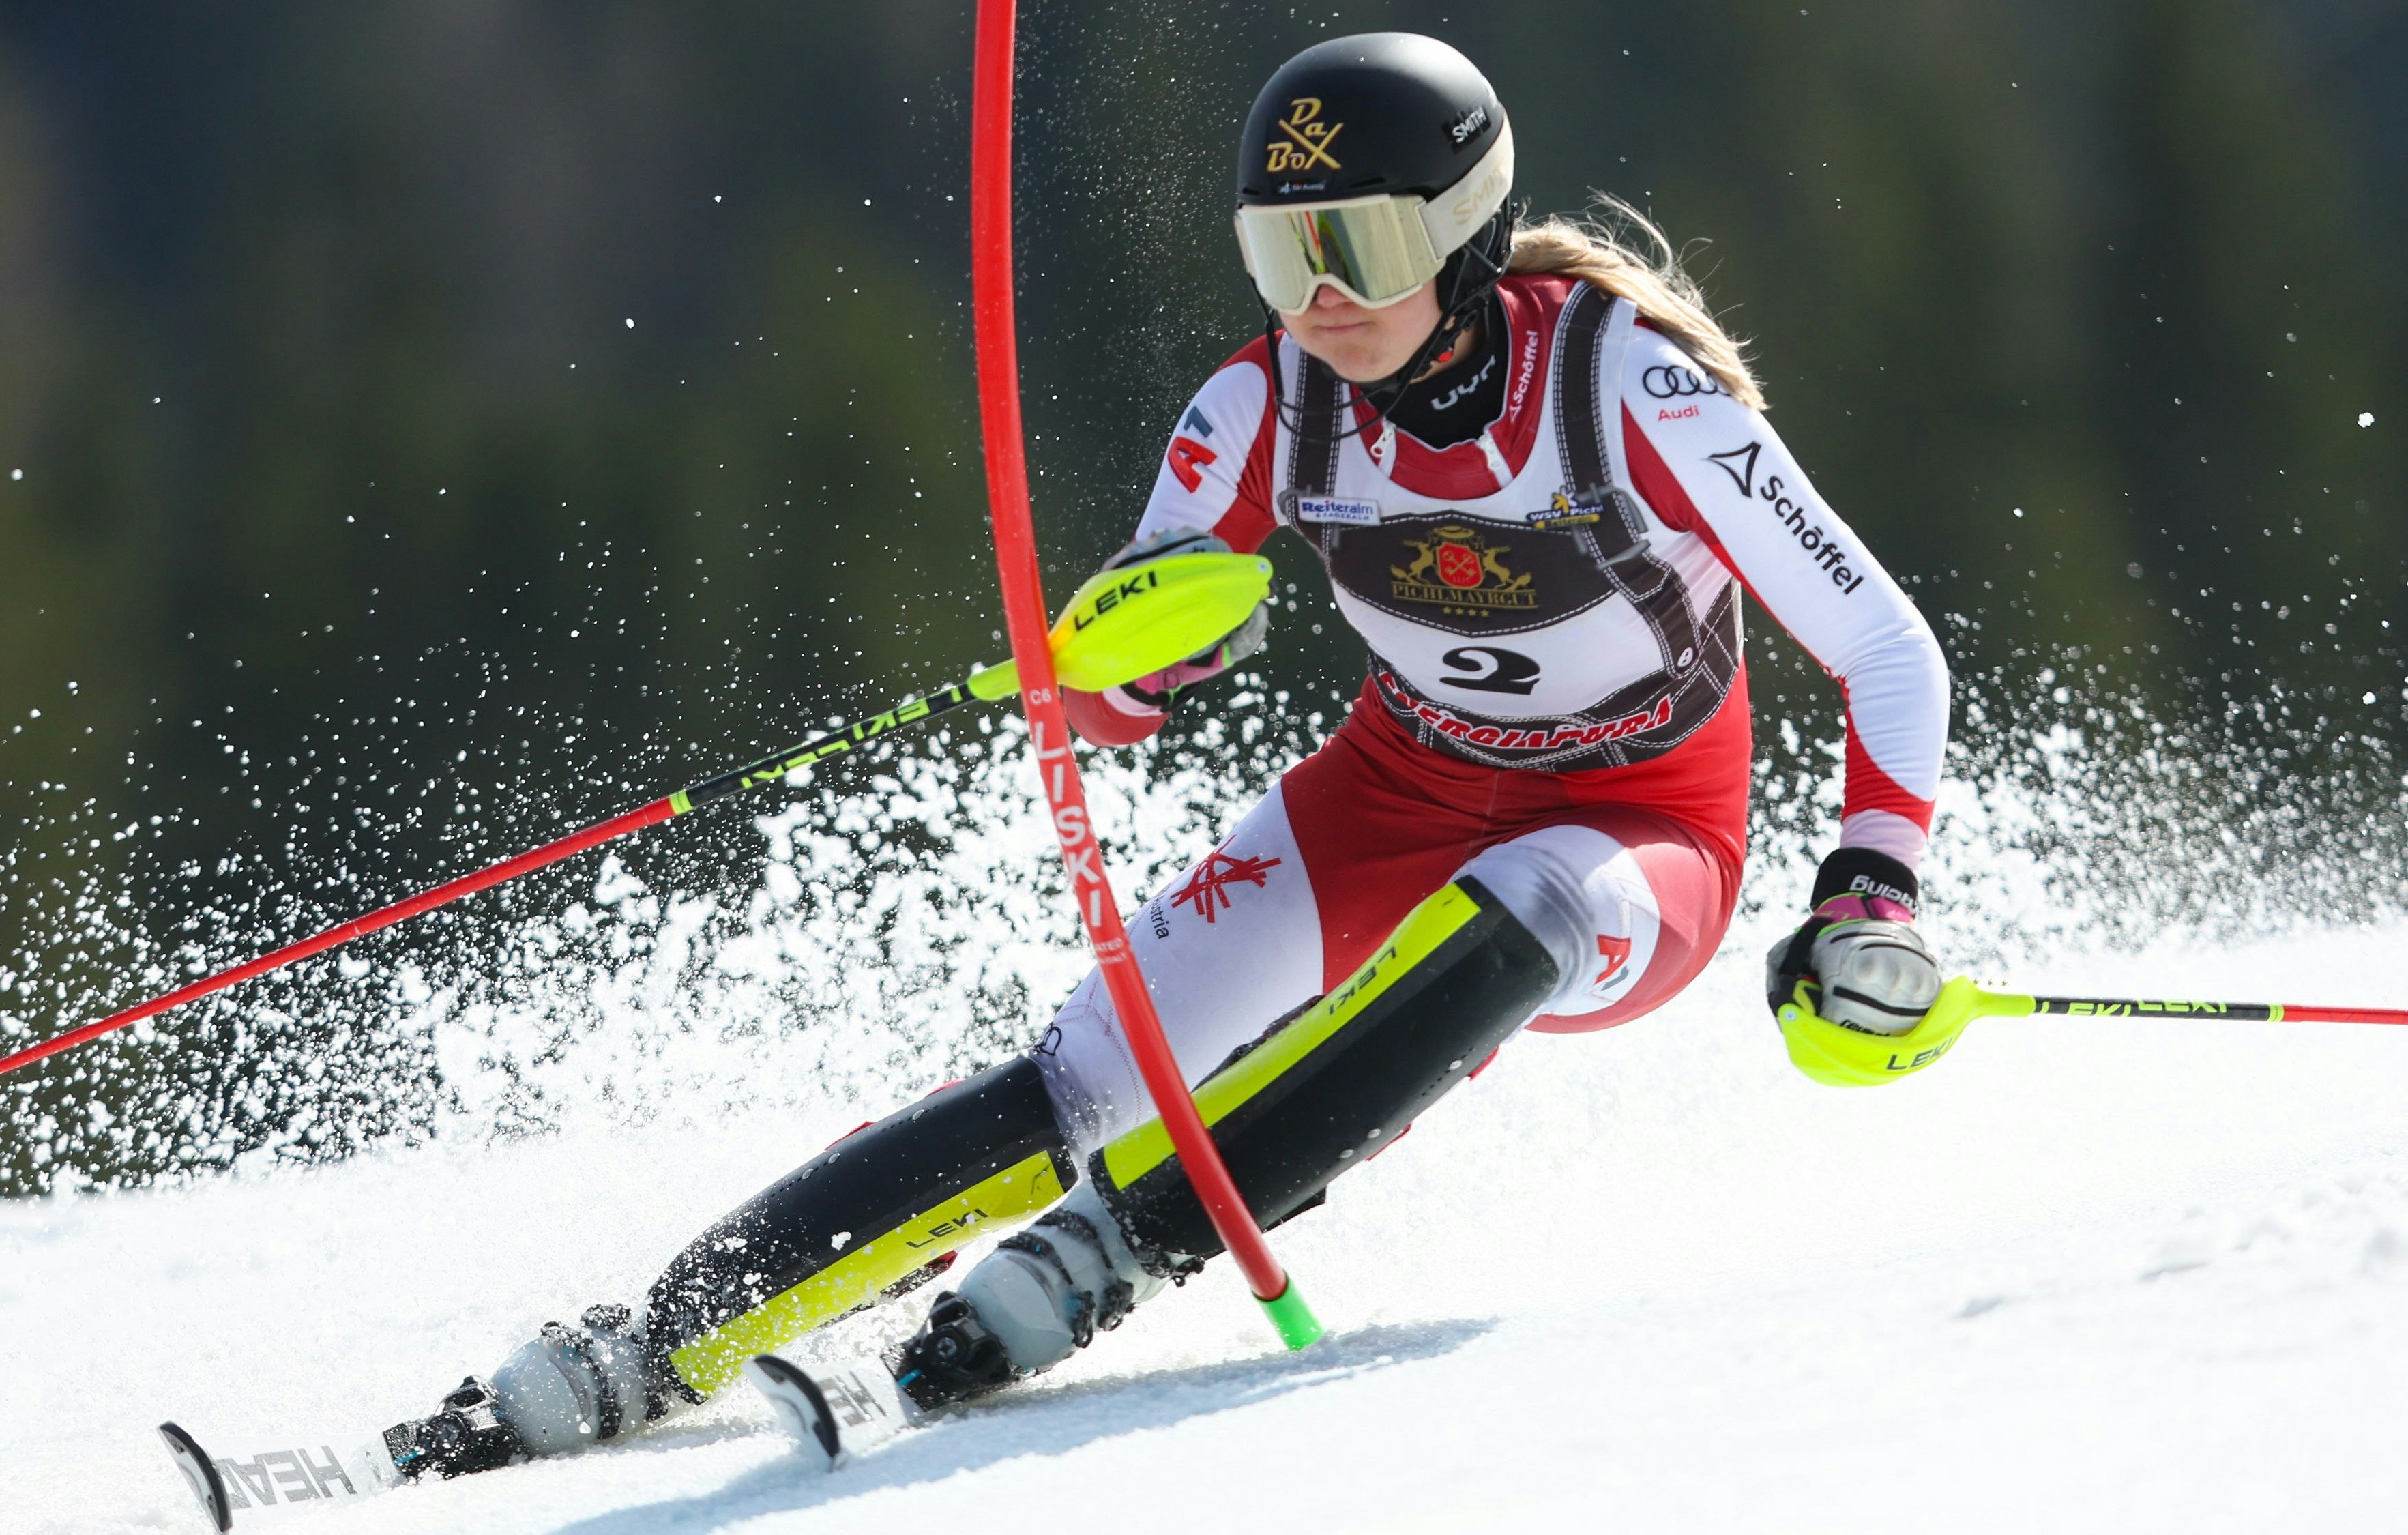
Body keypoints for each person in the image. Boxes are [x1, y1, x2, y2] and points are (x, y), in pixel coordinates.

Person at [381, 31, 1950, 1477]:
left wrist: (1868, 890)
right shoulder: (1260, 407)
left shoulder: (1627, 387)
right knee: (1090, 1068)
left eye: (1359, 248)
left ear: (1463, 234)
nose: (1318, 297)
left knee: (1524, 903)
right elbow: (1118, 683)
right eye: (1280, 253)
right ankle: (655, 1343)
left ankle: (1111, 1249)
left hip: (1643, 828)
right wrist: (1118, 674)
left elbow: (1884, 648)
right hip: (1394, 790)